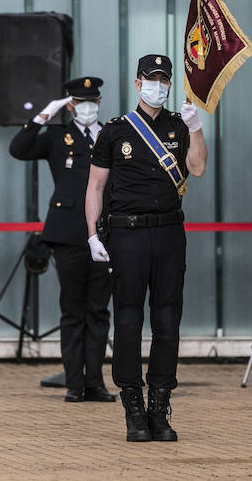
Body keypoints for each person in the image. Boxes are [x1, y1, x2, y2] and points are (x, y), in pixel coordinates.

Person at [85, 55, 206, 442]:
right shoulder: (116, 130)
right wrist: (92, 234)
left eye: (163, 80)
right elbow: (96, 187)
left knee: (168, 320)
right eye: (150, 80)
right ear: (138, 84)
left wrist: (197, 129)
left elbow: (198, 168)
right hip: (127, 235)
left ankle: (159, 406)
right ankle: (133, 408)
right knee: (129, 321)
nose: (157, 86)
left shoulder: (178, 124)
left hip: (169, 233)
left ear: (169, 85)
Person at [9, 75, 114, 403]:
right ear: (70, 105)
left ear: (98, 103)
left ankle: (95, 381)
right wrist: (42, 116)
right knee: (72, 309)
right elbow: (18, 149)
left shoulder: (110, 134)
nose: (86, 107)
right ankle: (74, 382)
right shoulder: (58, 136)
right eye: (79, 103)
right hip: (68, 233)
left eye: (91, 102)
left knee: (98, 310)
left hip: (106, 231)